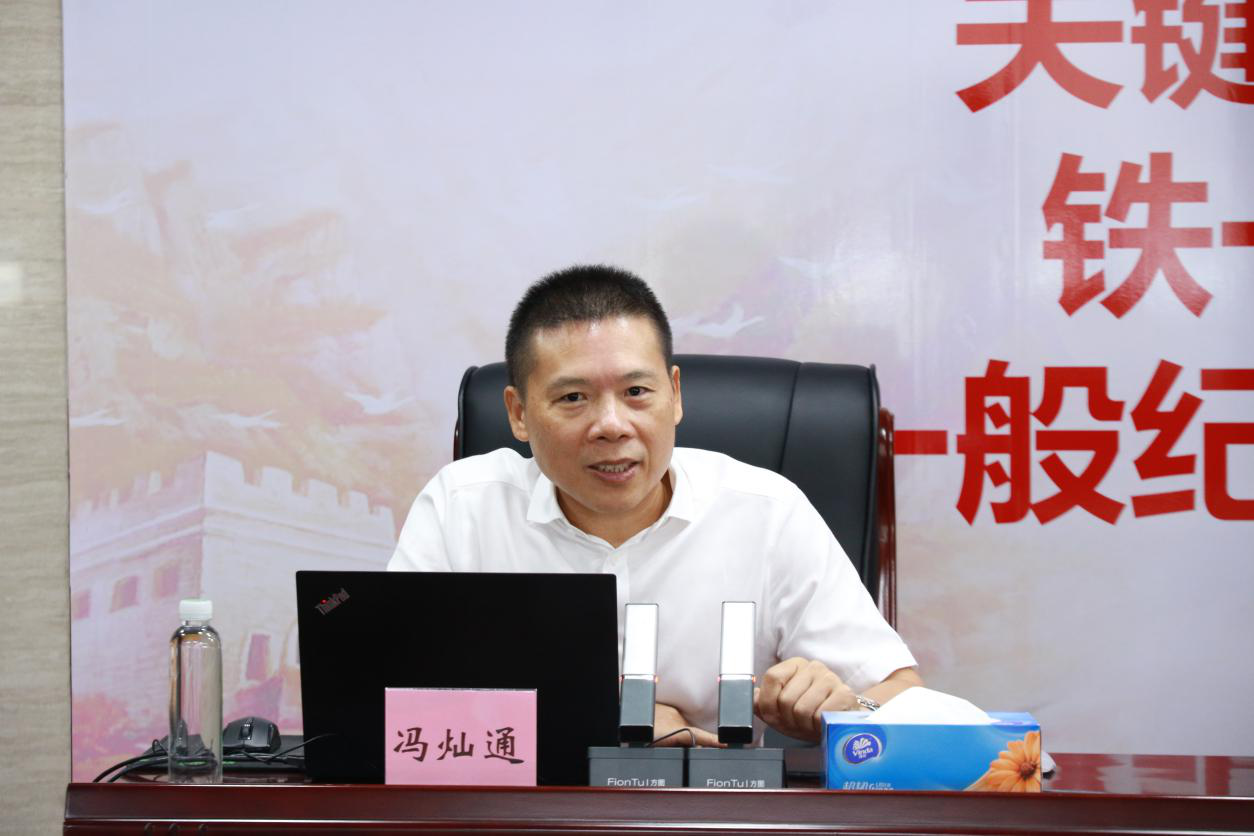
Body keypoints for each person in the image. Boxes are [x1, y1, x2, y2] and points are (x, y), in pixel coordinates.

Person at [388, 265, 921, 745]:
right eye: (573, 398)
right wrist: (616, 718)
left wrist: (846, 710)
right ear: (519, 414)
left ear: (675, 394)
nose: (612, 425)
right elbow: (385, 700)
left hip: (707, 810)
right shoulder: (461, 508)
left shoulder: (767, 512)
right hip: (515, 810)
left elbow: (901, 693)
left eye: (637, 392)